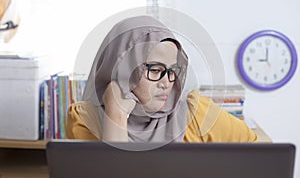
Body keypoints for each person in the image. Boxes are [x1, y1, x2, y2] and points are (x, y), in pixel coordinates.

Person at [66, 16, 257, 143]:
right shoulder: (85, 120)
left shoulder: (196, 115)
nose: (166, 83)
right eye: (156, 70)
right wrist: (116, 115)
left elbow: (259, 152)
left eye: (173, 71)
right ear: (121, 69)